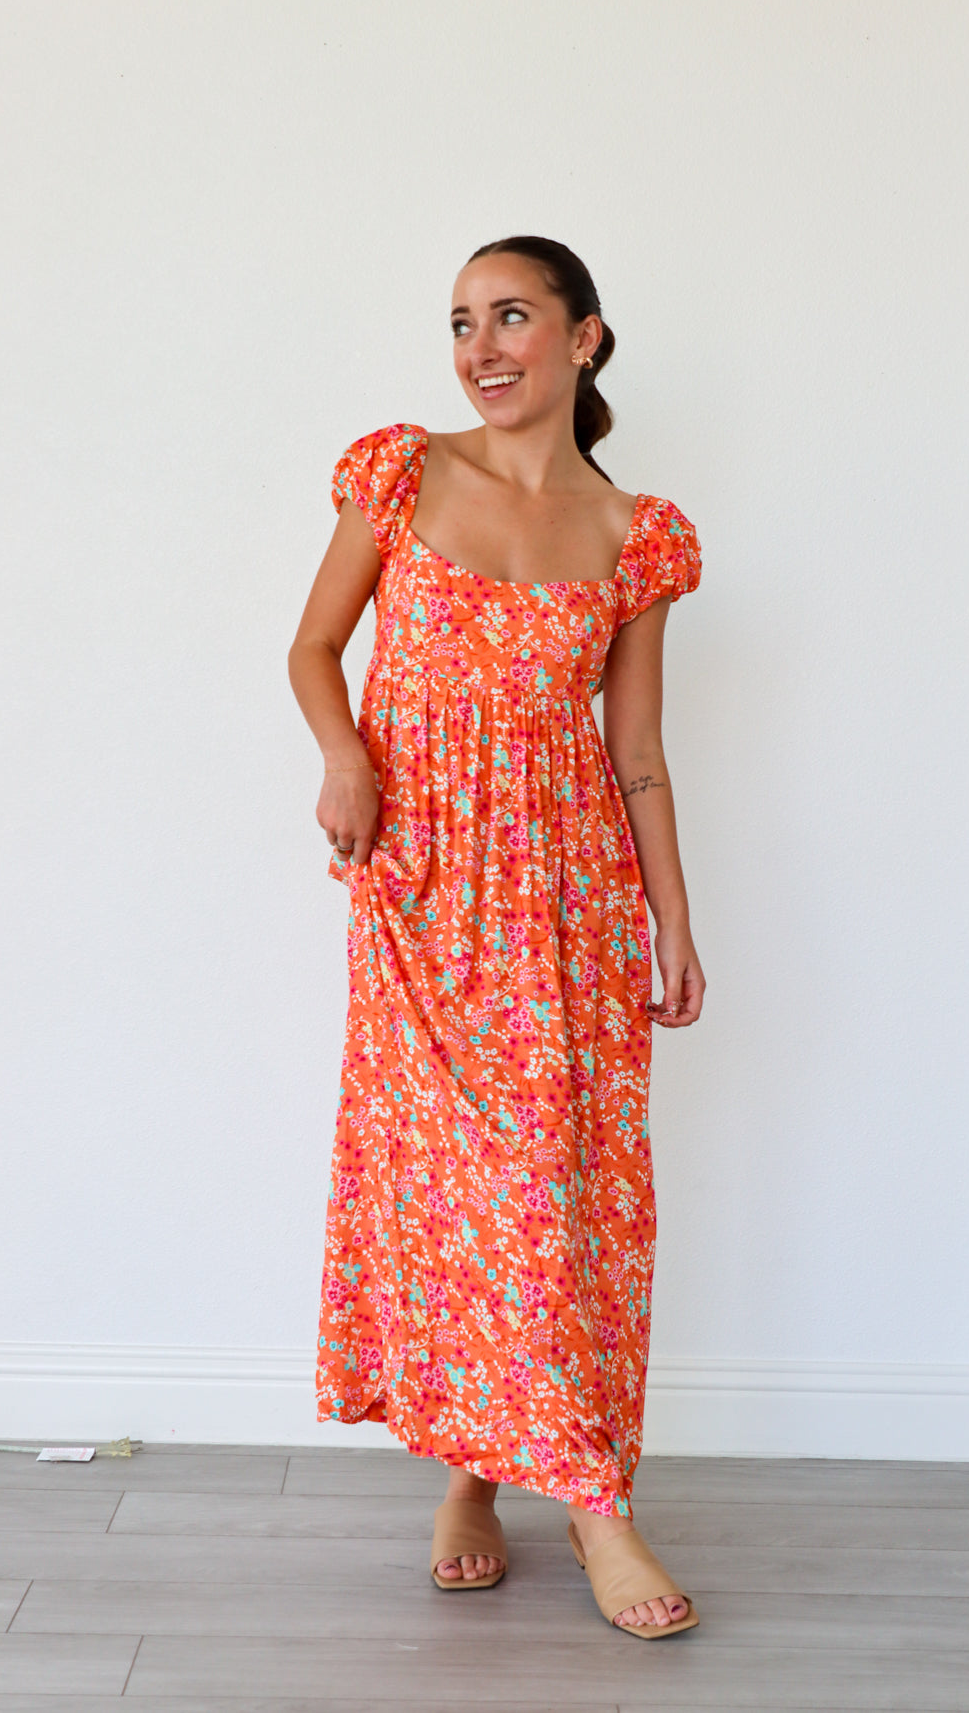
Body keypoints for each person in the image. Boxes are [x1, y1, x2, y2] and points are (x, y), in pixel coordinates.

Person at [287, 235, 705, 1638]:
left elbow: (635, 750)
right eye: (462, 319)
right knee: (477, 1196)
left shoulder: (637, 533)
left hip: (571, 901)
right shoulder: (403, 472)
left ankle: (487, 1481)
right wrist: (345, 756)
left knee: (559, 1193)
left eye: (512, 315)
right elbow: (311, 646)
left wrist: (673, 922)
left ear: (583, 339)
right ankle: (592, 1510)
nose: (480, 344)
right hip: (420, 896)